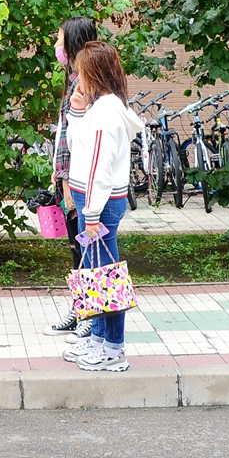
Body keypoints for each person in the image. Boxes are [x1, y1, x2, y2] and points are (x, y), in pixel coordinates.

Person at [60, 41, 143, 372]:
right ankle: (98, 340)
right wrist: (77, 112)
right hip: (95, 201)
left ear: (93, 73)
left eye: (81, 71)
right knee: (96, 275)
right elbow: (80, 148)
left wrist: (92, 213)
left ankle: (113, 348)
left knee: (105, 277)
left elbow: (98, 166)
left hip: (99, 204)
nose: (77, 77)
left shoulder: (107, 110)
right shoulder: (102, 106)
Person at [43, 16, 98, 344]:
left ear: (74, 43)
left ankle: (93, 319)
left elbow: (78, 141)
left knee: (91, 254)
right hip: (71, 180)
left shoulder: (88, 85)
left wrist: (66, 183)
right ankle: (81, 311)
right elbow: (64, 136)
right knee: (78, 251)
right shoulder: (75, 80)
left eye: (59, 39)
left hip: (82, 186)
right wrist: (58, 172)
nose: (56, 46)